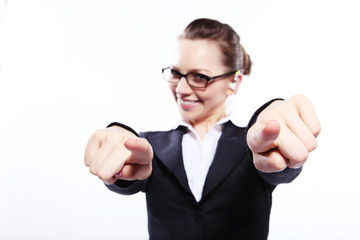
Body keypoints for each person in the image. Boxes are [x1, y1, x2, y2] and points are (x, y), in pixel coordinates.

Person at [84, 18, 321, 240]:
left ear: (233, 83)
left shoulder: (253, 144)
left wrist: (274, 127)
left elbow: (275, 164)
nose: (182, 89)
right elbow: (131, 172)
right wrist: (119, 138)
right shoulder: (149, 146)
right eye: (176, 73)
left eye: (199, 76)